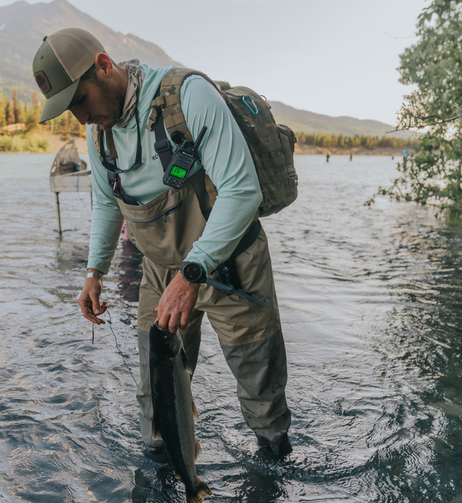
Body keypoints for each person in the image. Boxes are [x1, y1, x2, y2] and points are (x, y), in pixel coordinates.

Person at [32, 28, 292, 458]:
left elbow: (243, 190)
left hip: (234, 265)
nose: (79, 118)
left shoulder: (188, 97)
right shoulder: (100, 134)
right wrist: (94, 271)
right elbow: (106, 202)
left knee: (262, 398)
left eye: (80, 101)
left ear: (103, 65)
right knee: (157, 396)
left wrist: (193, 273)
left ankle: (273, 473)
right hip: (161, 270)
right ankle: (168, 489)